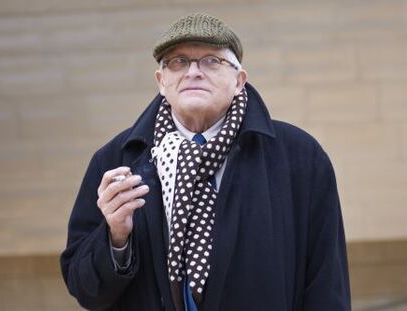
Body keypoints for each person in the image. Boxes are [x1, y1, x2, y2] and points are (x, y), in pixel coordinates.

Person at [60, 13, 351, 311]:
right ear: (162, 82)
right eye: (178, 62)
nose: (193, 72)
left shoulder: (299, 157)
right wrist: (116, 239)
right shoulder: (116, 160)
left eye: (212, 61)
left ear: (239, 80)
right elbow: (86, 291)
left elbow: (327, 282)